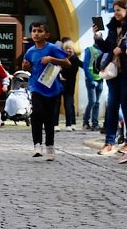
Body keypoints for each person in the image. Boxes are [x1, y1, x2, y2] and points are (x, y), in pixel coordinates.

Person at [23, 22, 70, 161]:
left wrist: (52, 59)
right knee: (36, 113)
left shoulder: (52, 48)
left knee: (49, 118)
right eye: (33, 31)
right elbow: (27, 66)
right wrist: (26, 66)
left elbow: (67, 63)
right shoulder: (30, 51)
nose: (36, 33)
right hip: (36, 86)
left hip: (51, 87)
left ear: (47, 34)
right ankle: (37, 145)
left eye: (39, 31)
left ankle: (50, 147)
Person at [94, 0, 127, 155]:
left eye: (119, 10)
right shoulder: (112, 27)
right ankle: (109, 142)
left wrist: (123, 49)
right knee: (112, 106)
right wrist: (97, 36)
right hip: (113, 71)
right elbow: (106, 47)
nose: (116, 13)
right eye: (115, 10)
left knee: (126, 107)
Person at [55, 40, 81, 132]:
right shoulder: (60, 58)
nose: (68, 50)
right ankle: (55, 124)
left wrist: (62, 72)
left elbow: (73, 71)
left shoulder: (74, 59)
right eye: (66, 49)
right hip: (59, 85)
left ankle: (70, 124)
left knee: (69, 105)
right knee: (57, 104)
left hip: (69, 85)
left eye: (70, 48)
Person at [81, 43, 103, 131]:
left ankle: (95, 123)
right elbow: (85, 65)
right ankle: (85, 122)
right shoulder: (89, 49)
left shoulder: (103, 49)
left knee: (97, 103)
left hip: (100, 78)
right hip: (91, 79)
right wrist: (90, 79)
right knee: (92, 101)